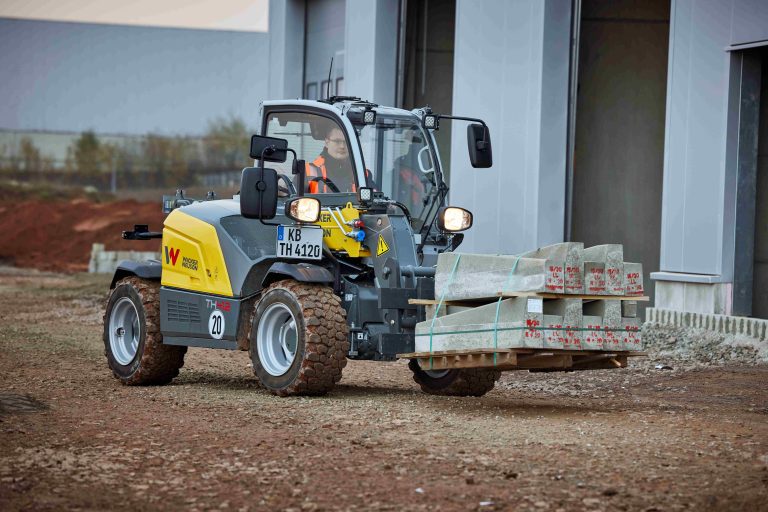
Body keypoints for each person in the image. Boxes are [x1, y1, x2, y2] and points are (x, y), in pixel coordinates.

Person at [305, 126, 356, 193]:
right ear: (327, 142)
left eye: (346, 142)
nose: (342, 146)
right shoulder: (305, 173)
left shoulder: (363, 174)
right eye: (337, 141)